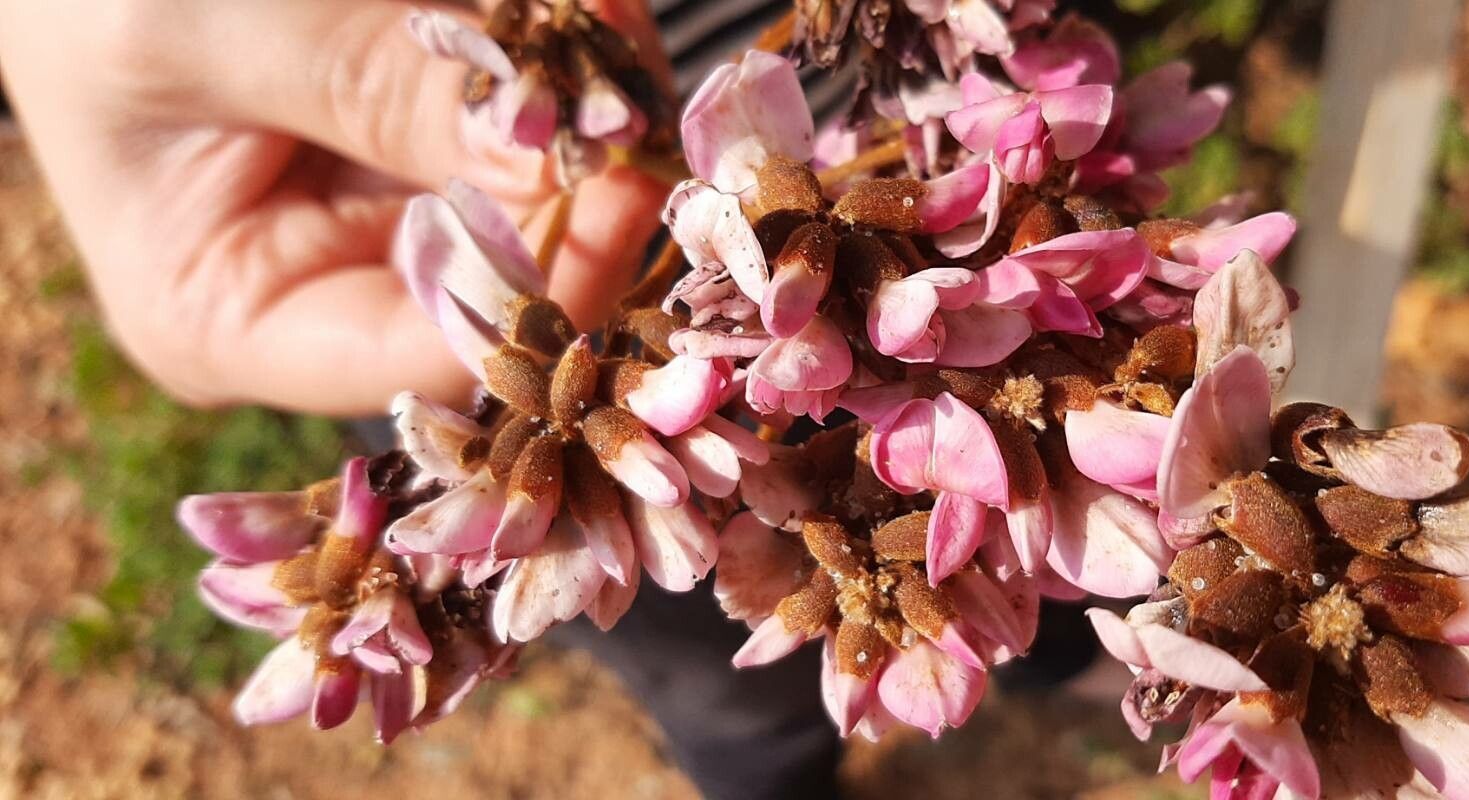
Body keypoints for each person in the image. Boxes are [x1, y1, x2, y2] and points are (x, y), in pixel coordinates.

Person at [0, 3, 1094, 798]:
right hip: (454, 239)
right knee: (723, 676)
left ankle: (1051, 651)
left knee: (1016, 512)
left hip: (923, 123)